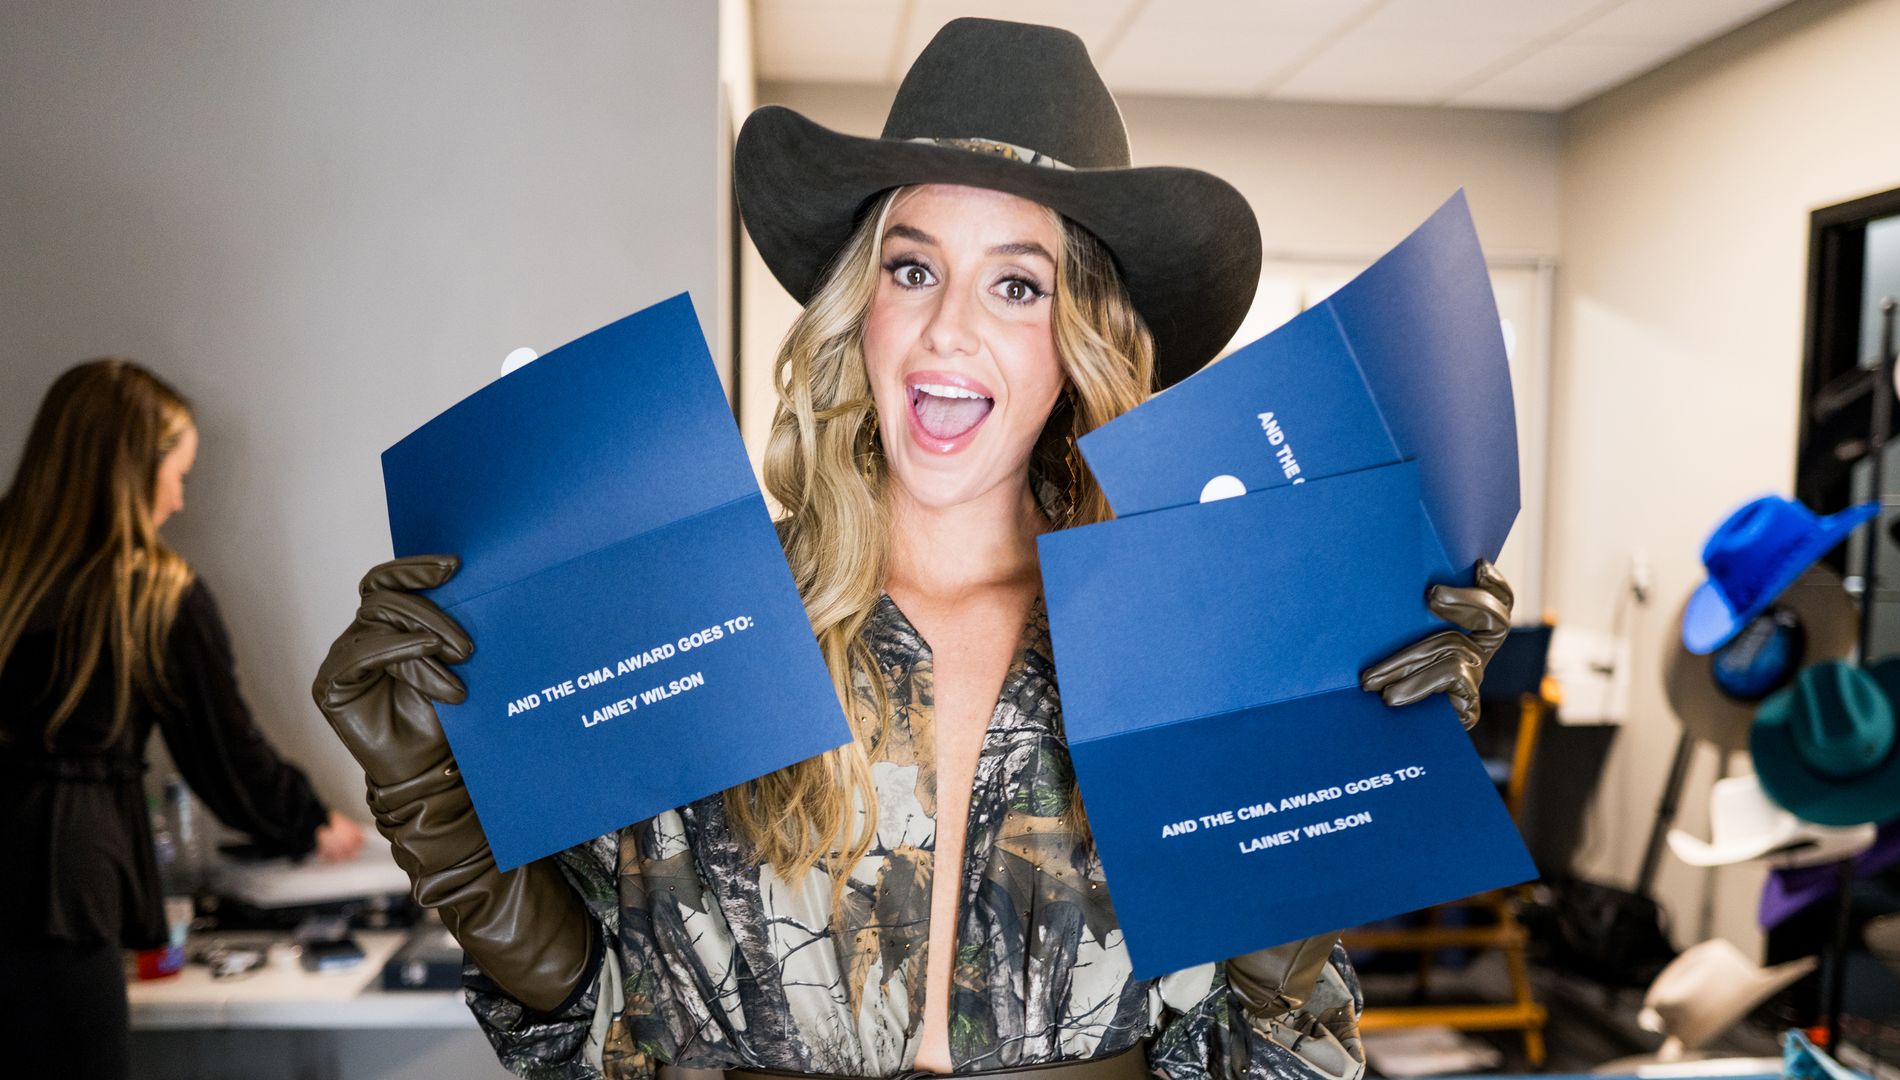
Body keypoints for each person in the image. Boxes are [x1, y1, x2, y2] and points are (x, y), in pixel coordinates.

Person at [314, 19, 1512, 1080]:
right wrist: (445, 820)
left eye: (1018, 286)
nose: (948, 327)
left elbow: (1284, 1064)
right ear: (862, 303)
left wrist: (1336, 805)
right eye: (914, 266)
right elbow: (609, 1034)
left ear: (1081, 340)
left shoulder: (1189, 647)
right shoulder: (712, 616)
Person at [0, 359, 364, 1080]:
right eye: (175, 472)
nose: (177, 498)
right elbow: (224, 756)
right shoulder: (154, 594)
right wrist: (313, 823)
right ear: (129, 471)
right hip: (59, 886)